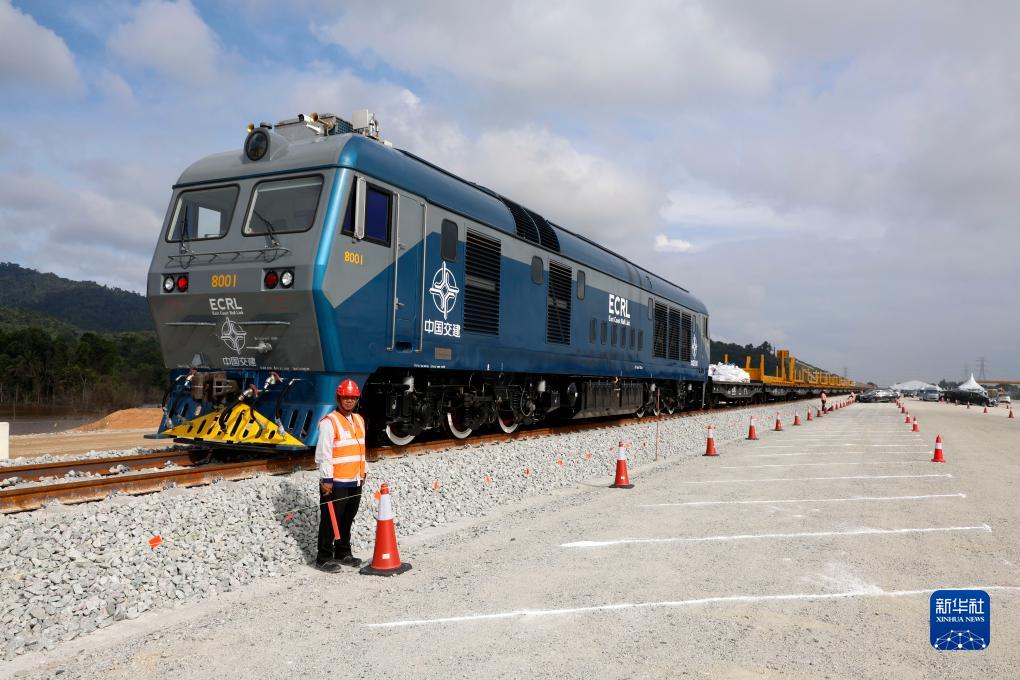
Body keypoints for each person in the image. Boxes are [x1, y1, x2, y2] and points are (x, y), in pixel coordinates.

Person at [314, 379, 367, 572]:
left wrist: (363, 472)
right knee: (330, 519)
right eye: (346, 397)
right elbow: (324, 453)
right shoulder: (329, 422)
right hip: (336, 482)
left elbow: (360, 448)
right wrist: (326, 479)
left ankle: (343, 552)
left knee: (347, 517)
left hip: (355, 479)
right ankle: (323, 558)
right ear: (338, 399)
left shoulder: (359, 420)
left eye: (353, 397)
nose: (349, 401)